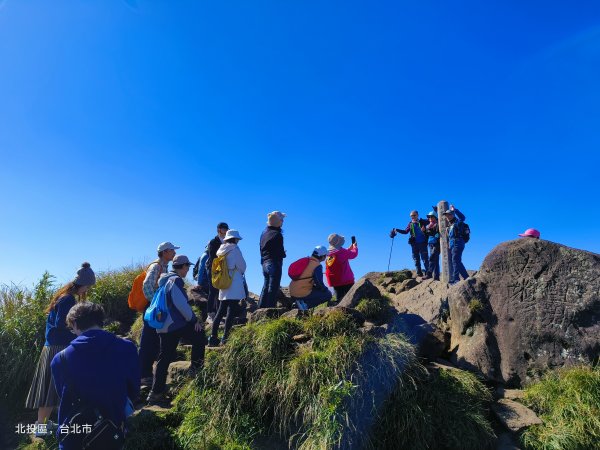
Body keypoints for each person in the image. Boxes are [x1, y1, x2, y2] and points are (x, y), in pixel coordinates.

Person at [51, 302, 139, 450]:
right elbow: (134, 389)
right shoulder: (127, 347)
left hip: (74, 435)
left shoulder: (60, 359)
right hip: (111, 431)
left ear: (74, 323)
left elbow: (63, 394)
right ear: (101, 321)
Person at [25, 262, 96, 436]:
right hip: (58, 348)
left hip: (52, 346)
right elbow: (61, 324)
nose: (86, 290)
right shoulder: (68, 299)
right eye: (88, 286)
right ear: (83, 284)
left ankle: (43, 424)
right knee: (50, 390)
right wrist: (79, 335)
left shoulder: (63, 296)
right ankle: (40, 429)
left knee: (50, 389)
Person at [147, 255, 206, 403]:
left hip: (163, 325)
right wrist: (194, 320)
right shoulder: (175, 281)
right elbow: (181, 305)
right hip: (174, 324)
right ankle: (196, 370)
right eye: (188, 267)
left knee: (164, 357)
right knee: (199, 335)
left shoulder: (164, 280)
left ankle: (155, 393)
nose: (188, 270)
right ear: (183, 266)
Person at [139, 242, 178, 388]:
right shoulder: (156, 266)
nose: (174, 253)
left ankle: (148, 374)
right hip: (153, 309)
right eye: (172, 251)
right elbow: (147, 285)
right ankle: (143, 375)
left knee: (153, 340)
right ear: (165, 252)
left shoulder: (164, 266)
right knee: (148, 341)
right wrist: (155, 303)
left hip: (156, 308)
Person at [208, 230, 247, 346]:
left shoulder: (221, 250)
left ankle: (213, 338)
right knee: (231, 310)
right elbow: (242, 266)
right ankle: (225, 338)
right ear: (235, 239)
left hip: (224, 281)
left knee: (220, 311)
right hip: (233, 282)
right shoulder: (234, 249)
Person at [258, 211, 286, 308]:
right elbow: (280, 252)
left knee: (266, 287)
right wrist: (283, 254)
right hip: (274, 263)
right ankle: (270, 311)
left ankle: (260, 309)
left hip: (264, 262)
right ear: (278, 221)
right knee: (273, 288)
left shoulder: (264, 233)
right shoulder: (277, 234)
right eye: (281, 219)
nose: (283, 221)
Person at [390, 210, 429, 277]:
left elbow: (433, 220)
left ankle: (428, 273)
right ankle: (419, 274)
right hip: (414, 244)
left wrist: (435, 211)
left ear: (417, 215)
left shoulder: (423, 221)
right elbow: (405, 231)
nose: (412, 217)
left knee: (425, 259)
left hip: (422, 243)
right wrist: (397, 230)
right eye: (411, 216)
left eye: (414, 215)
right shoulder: (410, 224)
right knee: (416, 259)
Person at [205, 222, 229, 322]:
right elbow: (212, 258)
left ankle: (219, 313)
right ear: (219, 229)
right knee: (213, 291)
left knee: (221, 291)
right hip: (213, 268)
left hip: (223, 269)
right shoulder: (213, 242)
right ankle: (210, 314)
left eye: (227, 228)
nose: (226, 230)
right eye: (224, 228)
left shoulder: (227, 241)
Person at [325, 234, 358, 301]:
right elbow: (354, 254)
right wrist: (355, 247)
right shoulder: (342, 252)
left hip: (334, 280)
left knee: (339, 298)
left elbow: (342, 254)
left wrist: (349, 248)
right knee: (351, 297)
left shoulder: (329, 253)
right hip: (345, 280)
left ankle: (337, 309)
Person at [443, 205, 469, 284]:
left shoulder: (458, 222)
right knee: (457, 261)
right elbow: (449, 236)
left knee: (455, 260)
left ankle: (456, 279)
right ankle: (466, 277)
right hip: (452, 244)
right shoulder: (449, 225)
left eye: (449, 214)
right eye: (446, 215)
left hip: (458, 242)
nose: (448, 216)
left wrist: (455, 210)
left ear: (453, 214)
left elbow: (463, 218)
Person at [424, 211, 441, 281]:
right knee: (436, 261)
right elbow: (427, 235)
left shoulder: (437, 225)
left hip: (436, 244)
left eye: (431, 216)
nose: (430, 218)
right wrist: (424, 231)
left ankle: (429, 273)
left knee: (432, 258)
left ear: (435, 217)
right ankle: (436, 278)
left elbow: (437, 235)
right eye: (429, 217)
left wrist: (430, 231)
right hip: (430, 244)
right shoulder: (428, 226)